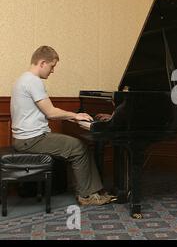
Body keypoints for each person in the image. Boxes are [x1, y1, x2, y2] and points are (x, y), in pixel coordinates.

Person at [10, 45, 115, 206]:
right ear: (43, 62)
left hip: (25, 138)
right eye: (52, 66)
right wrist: (76, 115)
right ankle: (86, 196)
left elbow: (45, 112)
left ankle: (95, 190)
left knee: (80, 146)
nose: (52, 71)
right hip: (32, 139)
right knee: (78, 147)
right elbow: (51, 113)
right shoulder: (33, 81)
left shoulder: (23, 79)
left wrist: (74, 118)